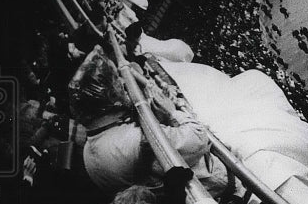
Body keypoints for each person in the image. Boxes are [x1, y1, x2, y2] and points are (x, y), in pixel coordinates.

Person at [70, 50, 228, 195]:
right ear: (110, 96)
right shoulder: (136, 141)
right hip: (214, 187)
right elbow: (198, 139)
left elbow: (148, 165)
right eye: (118, 84)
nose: (125, 86)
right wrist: (172, 112)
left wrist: (158, 113)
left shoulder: (89, 151)